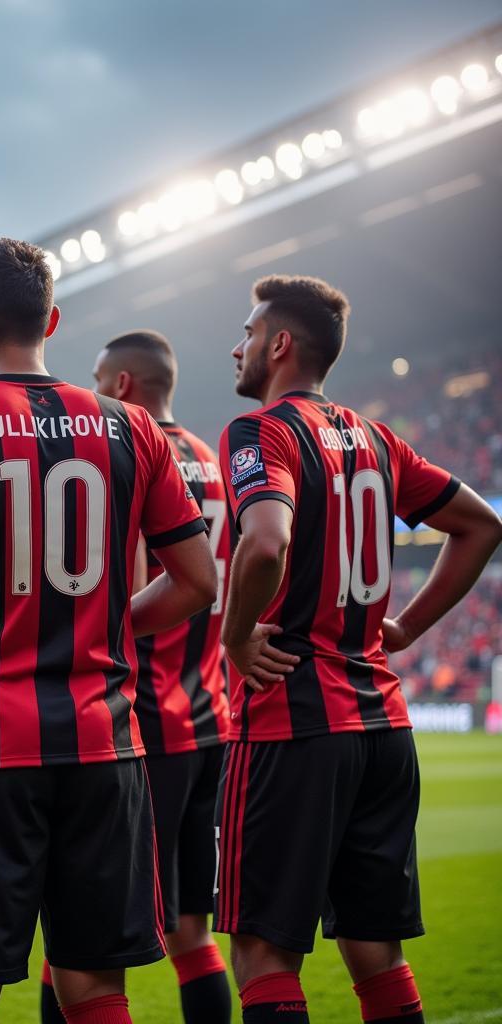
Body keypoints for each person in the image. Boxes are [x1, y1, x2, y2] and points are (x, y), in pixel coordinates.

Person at [0, 238, 218, 1024]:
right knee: (94, 986)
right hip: (106, 743)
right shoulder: (133, 427)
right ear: (51, 318)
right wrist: (114, 630)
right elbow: (199, 581)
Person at [215, 274, 502, 1024]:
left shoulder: (260, 431)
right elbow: (481, 526)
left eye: (247, 333)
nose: (235, 346)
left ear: (279, 344)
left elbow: (266, 538)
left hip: (293, 724)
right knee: (376, 951)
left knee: (263, 951)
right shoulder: (376, 438)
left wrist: (234, 634)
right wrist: (404, 628)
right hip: (384, 727)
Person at [39, 329, 226, 1024]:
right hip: (210, 718)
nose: (88, 389)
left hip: (137, 724)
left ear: (121, 386)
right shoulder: (212, 459)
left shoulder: (119, 450)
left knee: (74, 934)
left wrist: (103, 627)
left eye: (95, 377)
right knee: (192, 934)